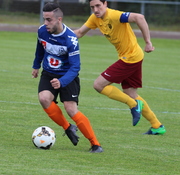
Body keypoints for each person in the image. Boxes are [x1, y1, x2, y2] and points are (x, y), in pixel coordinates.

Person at [73, 0, 166, 135]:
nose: (95, 9)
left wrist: (148, 42)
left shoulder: (114, 15)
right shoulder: (95, 18)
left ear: (105, 3)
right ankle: (157, 126)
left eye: (98, 5)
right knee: (131, 93)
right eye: (92, 7)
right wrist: (60, 33)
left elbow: (139, 17)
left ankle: (133, 104)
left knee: (99, 85)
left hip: (130, 58)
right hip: (133, 57)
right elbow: (80, 33)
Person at [32, 2, 103, 153]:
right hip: (49, 73)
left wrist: (62, 81)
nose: (45, 23)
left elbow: (75, 67)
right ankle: (68, 127)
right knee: (44, 98)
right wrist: (36, 65)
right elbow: (40, 48)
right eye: (44, 19)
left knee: (71, 109)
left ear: (59, 19)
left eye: (49, 20)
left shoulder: (70, 39)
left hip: (67, 76)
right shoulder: (42, 31)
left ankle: (95, 144)